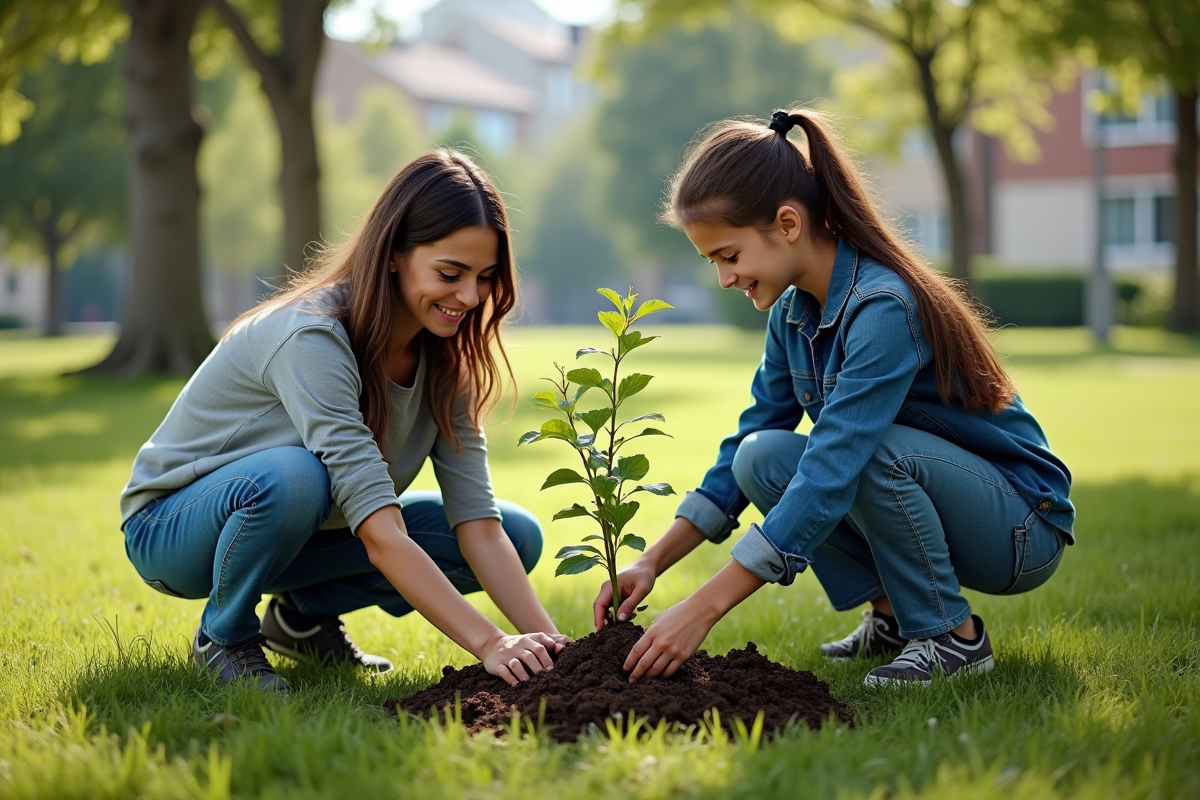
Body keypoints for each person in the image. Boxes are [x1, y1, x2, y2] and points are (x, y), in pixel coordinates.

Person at [595, 110, 1074, 686]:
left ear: (788, 223)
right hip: (939, 498)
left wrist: (703, 608)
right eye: (713, 262)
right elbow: (749, 441)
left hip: (1018, 527)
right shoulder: (791, 314)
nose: (724, 278)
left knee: (863, 452)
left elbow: (835, 461)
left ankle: (952, 637)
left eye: (729, 255)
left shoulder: (883, 307)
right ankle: (894, 619)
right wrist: (651, 560)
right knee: (760, 456)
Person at [121, 150, 567, 692]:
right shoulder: (312, 337)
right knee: (295, 477)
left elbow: (479, 525)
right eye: (450, 273)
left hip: (300, 534)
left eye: (485, 277)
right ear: (395, 254)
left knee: (517, 536)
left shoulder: (447, 361)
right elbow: (380, 533)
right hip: (173, 530)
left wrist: (559, 654)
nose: (470, 297)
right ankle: (224, 637)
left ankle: (300, 619)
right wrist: (490, 644)